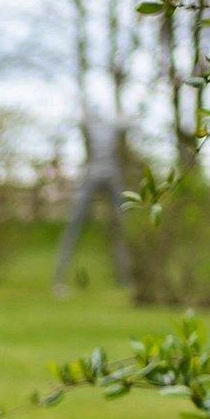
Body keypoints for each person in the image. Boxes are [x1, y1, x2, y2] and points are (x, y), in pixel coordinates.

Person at [53, 111, 132, 294]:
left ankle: (127, 279)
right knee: (74, 225)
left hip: (111, 175)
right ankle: (59, 280)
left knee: (123, 226)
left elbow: (127, 123)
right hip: (93, 174)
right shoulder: (90, 122)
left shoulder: (113, 124)